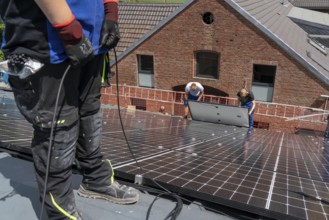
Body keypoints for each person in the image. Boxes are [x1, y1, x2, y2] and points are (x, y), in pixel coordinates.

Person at [0, 0, 138, 219]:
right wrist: (68, 30)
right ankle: (60, 212)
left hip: (91, 40)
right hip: (47, 43)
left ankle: (95, 179)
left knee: (89, 111)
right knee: (58, 127)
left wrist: (110, 11)